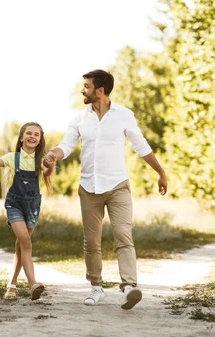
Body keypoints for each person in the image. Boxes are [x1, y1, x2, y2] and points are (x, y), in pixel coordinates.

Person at [43, 69, 168, 310]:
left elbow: (141, 145)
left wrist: (160, 172)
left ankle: (130, 286)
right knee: (92, 241)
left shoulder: (124, 115)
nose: (83, 90)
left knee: (123, 234)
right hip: (89, 187)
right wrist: (52, 155)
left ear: (100, 91)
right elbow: (66, 145)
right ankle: (96, 287)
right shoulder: (79, 118)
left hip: (118, 185)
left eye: (87, 86)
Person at [0, 122, 53, 300]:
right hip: (14, 204)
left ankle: (11, 286)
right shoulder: (12, 157)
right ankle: (33, 285)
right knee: (26, 243)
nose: (32, 137)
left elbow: (47, 172)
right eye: (28, 133)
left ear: (40, 139)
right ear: (21, 137)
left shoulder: (40, 159)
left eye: (36, 134)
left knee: (20, 246)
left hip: (32, 206)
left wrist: (50, 165)